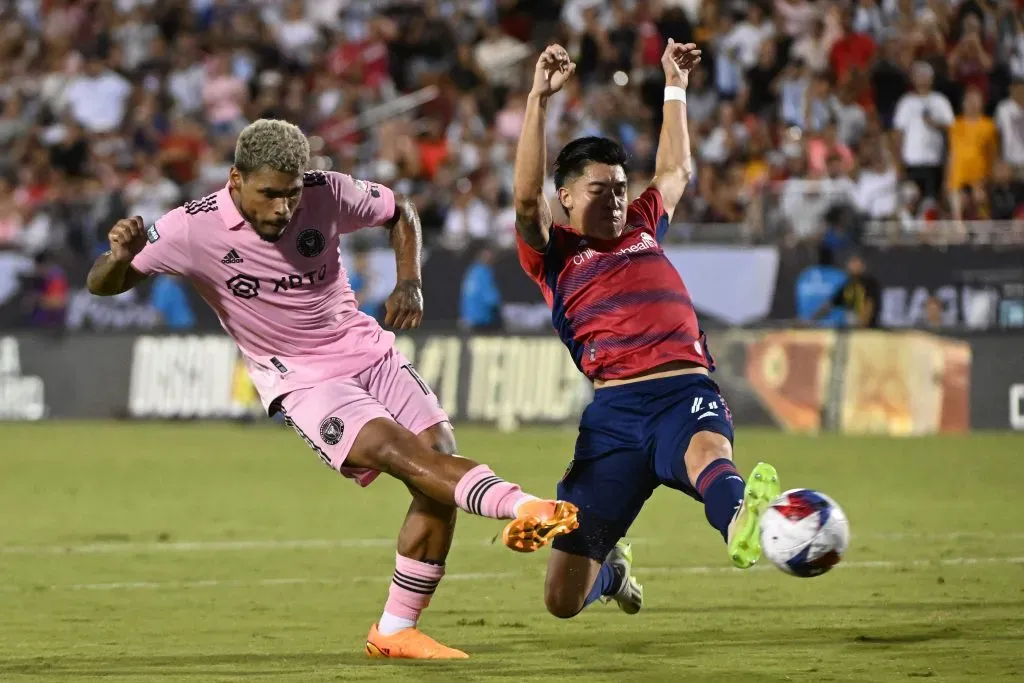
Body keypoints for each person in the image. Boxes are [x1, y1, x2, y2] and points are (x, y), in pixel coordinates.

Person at [85, 119, 579, 660]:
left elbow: (400, 212)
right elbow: (104, 285)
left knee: (437, 462)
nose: (282, 208)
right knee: (401, 453)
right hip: (302, 378)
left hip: (368, 350)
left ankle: (395, 630)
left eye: (290, 194)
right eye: (269, 194)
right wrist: (119, 256)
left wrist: (409, 280)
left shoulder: (327, 191)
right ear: (234, 180)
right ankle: (526, 505)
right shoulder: (189, 228)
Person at [511, 42, 782, 621]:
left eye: (619, 188)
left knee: (709, 453)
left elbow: (677, 169)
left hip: (683, 393)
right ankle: (610, 572)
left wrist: (675, 84)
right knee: (561, 601)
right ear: (565, 198)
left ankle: (741, 521)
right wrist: (537, 100)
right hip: (612, 418)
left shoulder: (643, 222)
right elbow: (522, 198)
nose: (615, 201)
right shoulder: (552, 254)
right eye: (598, 190)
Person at [812, 253, 881, 329]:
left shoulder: (869, 283)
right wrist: (813, 319)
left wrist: (863, 324)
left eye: (857, 263)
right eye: (852, 263)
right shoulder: (848, 285)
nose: (854, 266)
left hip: (868, 328)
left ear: (863, 266)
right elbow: (831, 304)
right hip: (852, 326)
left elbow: (870, 304)